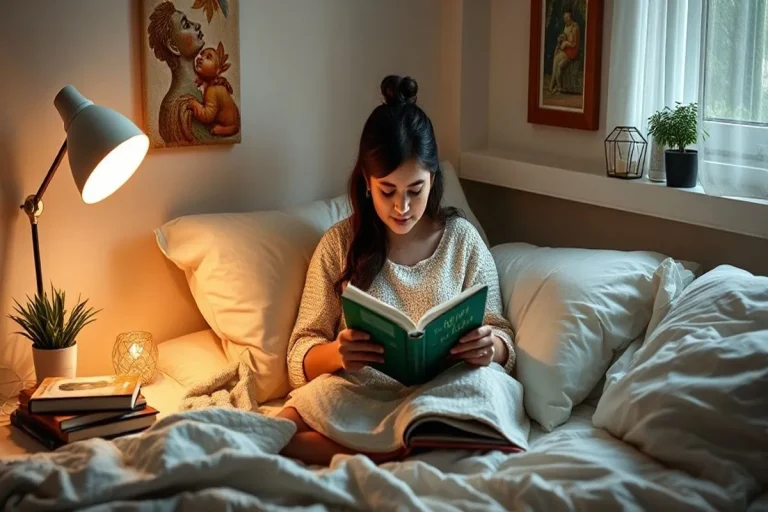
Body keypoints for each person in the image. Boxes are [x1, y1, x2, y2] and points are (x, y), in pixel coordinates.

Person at [277, 76, 517, 466]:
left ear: (433, 180)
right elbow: (300, 351)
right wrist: (337, 354)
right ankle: (396, 447)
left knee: (490, 389)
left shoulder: (462, 241)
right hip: (361, 392)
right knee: (294, 412)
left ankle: (355, 448)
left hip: (443, 392)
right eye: (388, 191)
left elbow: (501, 334)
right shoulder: (339, 244)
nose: (402, 206)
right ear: (366, 184)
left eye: (415, 190)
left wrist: (491, 348)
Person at [549, 10, 581, 94]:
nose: (565, 19)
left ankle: (559, 87)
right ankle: (553, 84)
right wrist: (561, 37)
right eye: (564, 17)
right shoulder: (567, 26)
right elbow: (565, 35)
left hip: (572, 51)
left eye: (567, 17)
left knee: (559, 65)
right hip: (567, 50)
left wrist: (565, 43)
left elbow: (574, 44)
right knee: (556, 59)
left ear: (571, 17)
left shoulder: (575, 27)